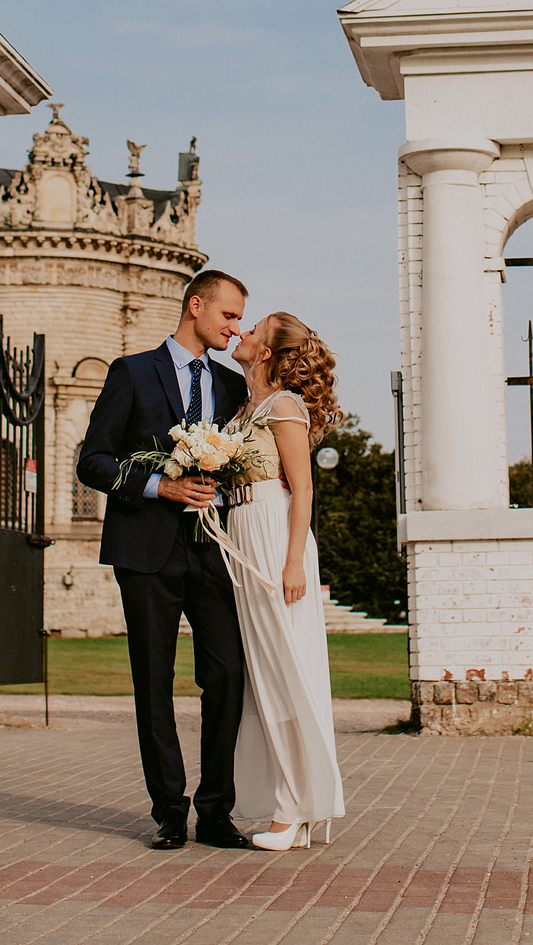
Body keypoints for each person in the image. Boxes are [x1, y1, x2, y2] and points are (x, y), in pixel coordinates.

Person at [76, 269, 253, 850]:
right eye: (228, 315)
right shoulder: (130, 373)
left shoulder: (231, 387)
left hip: (213, 549)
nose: (235, 327)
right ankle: (170, 813)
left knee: (227, 673)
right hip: (145, 549)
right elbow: (93, 462)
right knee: (153, 681)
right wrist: (160, 486)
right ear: (195, 306)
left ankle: (217, 810)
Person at [218, 311, 347, 849]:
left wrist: (294, 561)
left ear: (267, 352)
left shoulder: (284, 406)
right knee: (264, 675)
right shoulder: (245, 407)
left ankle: (295, 808)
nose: (242, 333)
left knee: (286, 669)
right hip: (241, 527)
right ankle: (289, 804)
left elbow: (303, 489)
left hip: (274, 533)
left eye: (253, 332)